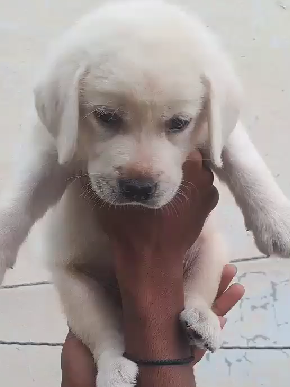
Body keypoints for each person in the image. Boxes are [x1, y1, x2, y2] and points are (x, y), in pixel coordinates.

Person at [61, 151, 245, 387]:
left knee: (212, 245)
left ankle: (196, 303)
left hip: (180, 265)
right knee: (72, 275)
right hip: (92, 270)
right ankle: (108, 350)